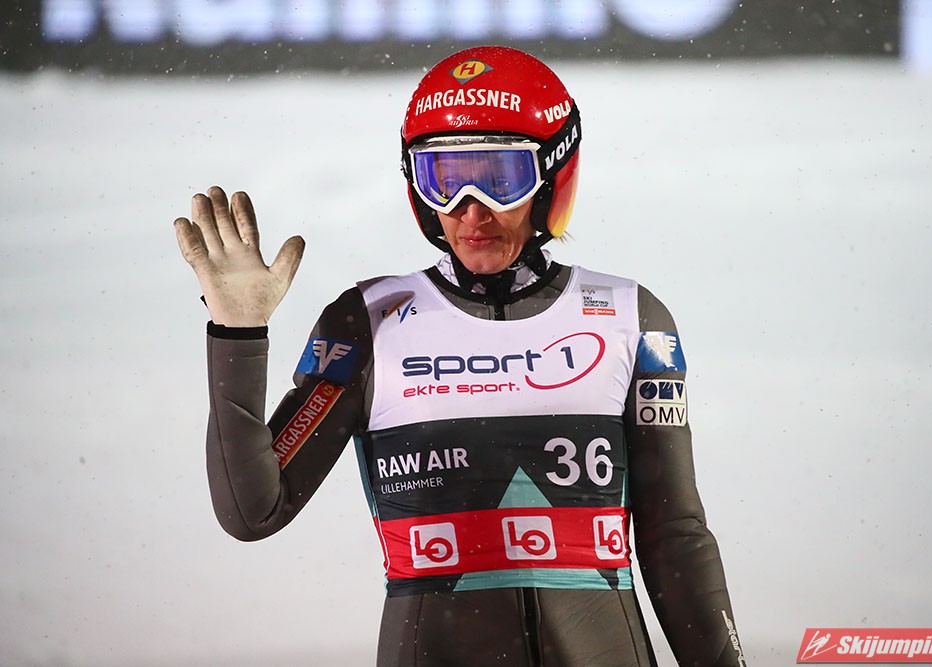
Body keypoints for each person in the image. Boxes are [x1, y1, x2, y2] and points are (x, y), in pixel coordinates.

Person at [174, 45, 747, 667]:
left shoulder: (629, 316)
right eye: (444, 180)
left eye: (500, 179)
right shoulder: (367, 322)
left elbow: (674, 536)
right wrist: (237, 333)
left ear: (552, 178)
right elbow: (251, 511)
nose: (471, 211)